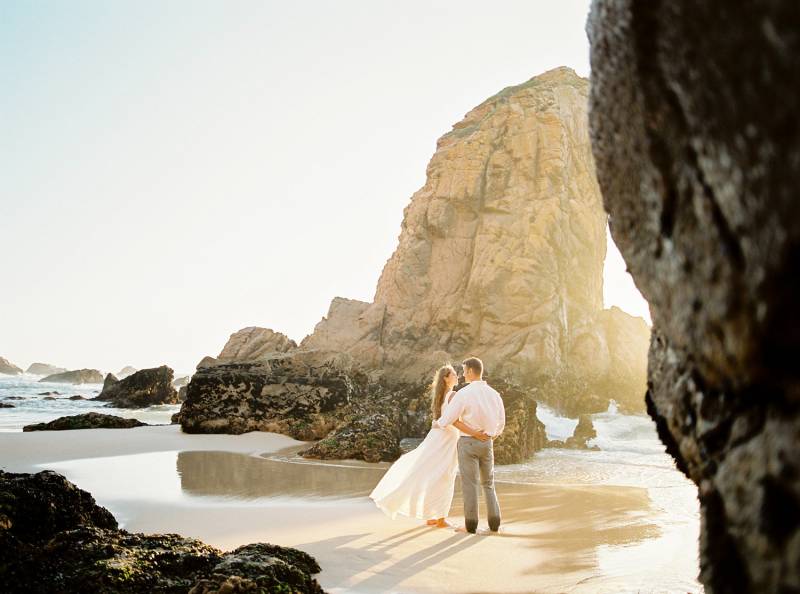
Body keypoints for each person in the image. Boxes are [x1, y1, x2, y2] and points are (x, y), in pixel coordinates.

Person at [369, 364, 489, 527]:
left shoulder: (441, 396)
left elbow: (445, 419)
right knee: (444, 476)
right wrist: (476, 431)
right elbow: (456, 420)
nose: (457, 375)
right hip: (447, 439)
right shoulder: (453, 395)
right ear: (446, 378)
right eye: (453, 374)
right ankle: (440, 518)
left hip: (439, 437)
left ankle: (433, 515)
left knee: (431, 473)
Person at [434, 356, 505, 534]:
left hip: (467, 443)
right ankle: (494, 524)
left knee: (470, 484)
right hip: (487, 442)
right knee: (489, 483)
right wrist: (488, 437)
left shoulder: (464, 393)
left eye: (465, 371)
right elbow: (501, 423)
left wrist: (439, 423)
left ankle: (471, 525)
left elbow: (448, 419)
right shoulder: (494, 394)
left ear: (471, 372)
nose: (463, 375)